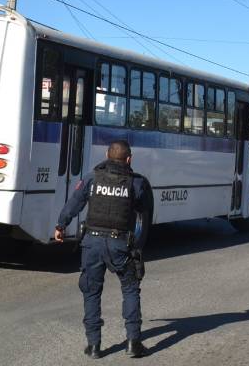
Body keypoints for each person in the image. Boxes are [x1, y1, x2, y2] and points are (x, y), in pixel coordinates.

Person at [54, 140, 152, 359]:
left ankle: (94, 346)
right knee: (130, 289)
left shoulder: (92, 178)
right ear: (129, 159)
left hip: (92, 243)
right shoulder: (136, 183)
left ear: (107, 156)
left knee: (91, 291)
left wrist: (60, 226)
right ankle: (133, 343)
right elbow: (143, 209)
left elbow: (74, 204)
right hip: (120, 244)